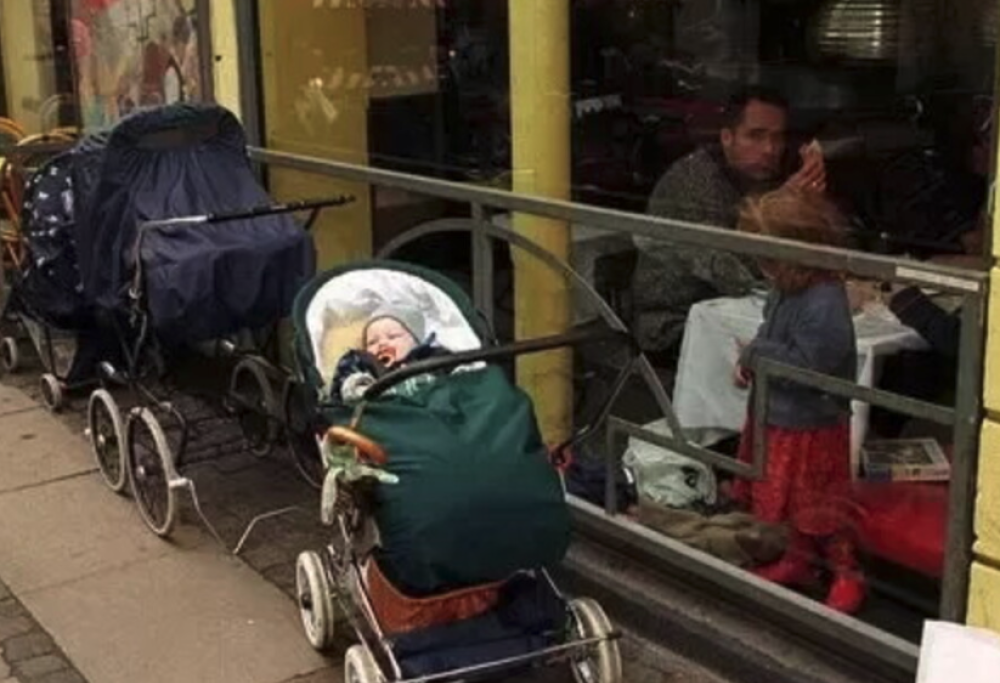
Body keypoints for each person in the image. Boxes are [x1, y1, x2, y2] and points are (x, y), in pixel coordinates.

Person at [730, 188, 864, 615]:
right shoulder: (787, 289)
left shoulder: (824, 301)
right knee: (792, 501)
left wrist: (755, 355)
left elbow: (810, 366)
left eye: (768, 260)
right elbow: (771, 335)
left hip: (812, 423)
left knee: (820, 504)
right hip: (780, 413)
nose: (763, 269)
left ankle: (846, 570)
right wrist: (752, 361)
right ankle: (798, 558)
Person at [633, 86, 827, 357]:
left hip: (735, 314)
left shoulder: (762, 179)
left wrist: (805, 209)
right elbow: (740, 275)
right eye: (756, 136)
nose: (769, 149)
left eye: (777, 138)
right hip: (673, 323)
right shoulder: (694, 182)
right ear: (727, 137)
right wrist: (779, 210)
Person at [331, 304, 448, 404]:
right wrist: (357, 386)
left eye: (392, 336)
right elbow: (344, 378)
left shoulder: (430, 356)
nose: (382, 343)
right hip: (381, 411)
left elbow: (452, 369)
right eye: (372, 342)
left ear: (415, 341)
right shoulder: (363, 361)